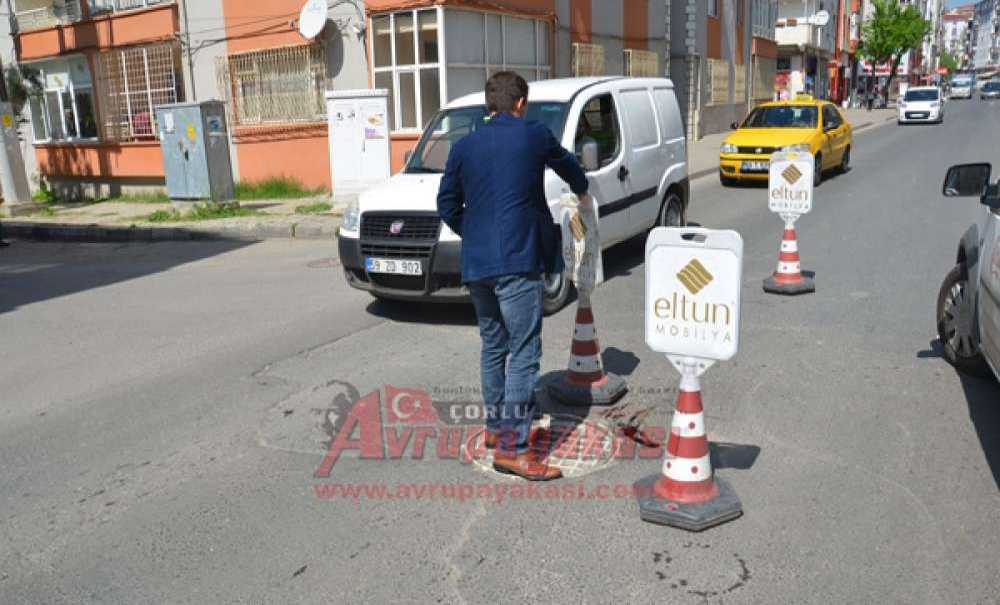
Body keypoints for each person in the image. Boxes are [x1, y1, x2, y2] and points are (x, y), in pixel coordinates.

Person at [437, 72, 589, 481]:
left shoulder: (463, 146)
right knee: (524, 353)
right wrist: (584, 189)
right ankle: (514, 449)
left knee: (493, 346)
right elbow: (569, 165)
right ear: (521, 103)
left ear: (490, 104)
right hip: (517, 262)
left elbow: (446, 203)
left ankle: (494, 429)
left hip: (477, 264)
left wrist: (475, 233)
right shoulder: (533, 134)